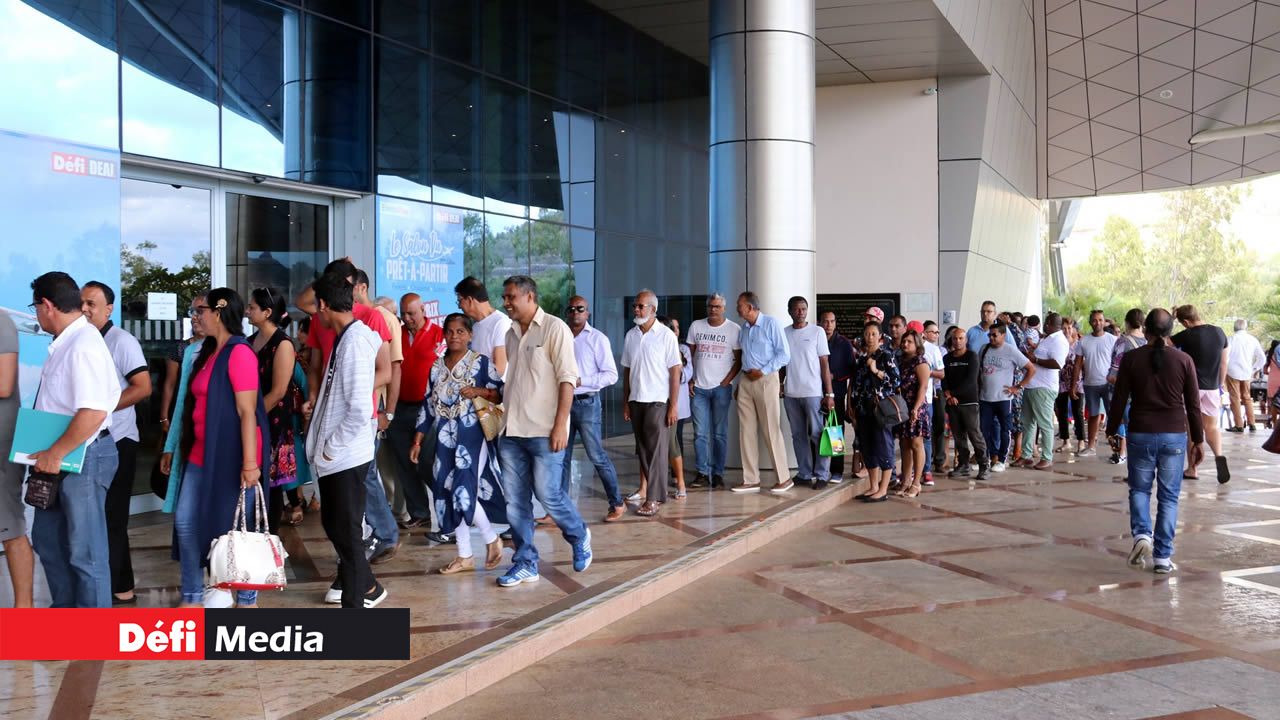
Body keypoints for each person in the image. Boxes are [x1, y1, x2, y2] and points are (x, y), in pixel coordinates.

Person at [165, 288, 269, 609]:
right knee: (186, 522)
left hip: (232, 456)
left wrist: (250, 464)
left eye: (201, 311)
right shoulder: (207, 352)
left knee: (235, 530)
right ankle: (193, 596)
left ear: (220, 312)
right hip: (200, 454)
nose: (197, 317)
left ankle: (247, 599)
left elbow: (247, 411)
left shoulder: (239, 352)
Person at [25, 273, 121, 608]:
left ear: (47, 306)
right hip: (58, 458)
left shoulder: (83, 345)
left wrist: (55, 452)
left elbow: (93, 412)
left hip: (84, 456)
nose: (37, 315)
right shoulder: (67, 341)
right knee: (48, 543)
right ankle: (66, 621)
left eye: (36, 307)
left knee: (85, 553)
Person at [495, 275, 592, 587]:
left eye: (511, 297)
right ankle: (525, 562)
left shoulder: (554, 328)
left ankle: (578, 534)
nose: (506, 302)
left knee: (548, 494)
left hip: (544, 429)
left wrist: (561, 424)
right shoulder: (510, 333)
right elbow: (517, 382)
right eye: (505, 297)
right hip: (511, 431)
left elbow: (567, 378)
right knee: (515, 502)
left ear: (530, 296)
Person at [297, 260, 397, 562]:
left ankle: (377, 538)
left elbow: (386, 371)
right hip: (329, 412)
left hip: (357, 414)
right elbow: (316, 365)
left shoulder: (369, 319)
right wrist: (316, 395)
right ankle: (357, 549)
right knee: (340, 494)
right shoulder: (321, 318)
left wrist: (361, 395)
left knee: (361, 478)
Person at [1108, 309, 1203, 575]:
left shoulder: (1131, 358)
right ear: (1170, 331)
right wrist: (1198, 440)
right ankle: (1162, 557)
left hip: (1140, 433)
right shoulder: (1184, 360)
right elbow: (1193, 406)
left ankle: (1142, 536)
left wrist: (1112, 429)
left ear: (1146, 330)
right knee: (1169, 497)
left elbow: (1119, 398)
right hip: (1174, 435)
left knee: (1139, 490)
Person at [411, 313, 507, 575]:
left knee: (463, 491)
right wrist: (418, 440)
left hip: (473, 439)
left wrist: (480, 391)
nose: (455, 336)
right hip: (445, 441)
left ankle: (491, 539)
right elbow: (427, 406)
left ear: (470, 335)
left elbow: (500, 393)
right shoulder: (436, 367)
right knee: (448, 491)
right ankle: (464, 555)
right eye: (450, 332)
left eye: (460, 332)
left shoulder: (481, 363)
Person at [79, 281, 151, 606]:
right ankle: (121, 588)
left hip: (119, 440)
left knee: (113, 519)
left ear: (109, 309)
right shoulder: (83, 340)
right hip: (90, 441)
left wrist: (103, 407)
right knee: (100, 519)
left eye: (92, 304)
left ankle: (114, 592)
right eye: (81, 303)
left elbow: (143, 387)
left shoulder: (121, 341)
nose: (85, 309)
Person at [246, 287, 311, 532]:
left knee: (271, 488)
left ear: (267, 312)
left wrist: (250, 416)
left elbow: (278, 391)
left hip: (272, 423)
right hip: (251, 421)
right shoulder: (249, 341)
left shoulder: (282, 344)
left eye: (252, 307)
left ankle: (269, 541)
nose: (248, 311)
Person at [387, 293, 448, 539]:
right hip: (399, 406)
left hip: (429, 410)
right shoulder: (397, 334)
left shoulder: (439, 335)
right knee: (404, 463)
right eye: (403, 313)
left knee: (426, 462)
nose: (407, 318)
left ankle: (450, 506)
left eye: (412, 313)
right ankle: (419, 512)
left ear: (424, 310)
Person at [563, 295, 625, 521]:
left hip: (587, 403)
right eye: (571, 309)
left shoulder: (598, 339)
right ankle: (558, 509)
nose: (575, 312)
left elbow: (611, 375)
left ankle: (617, 502)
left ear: (587, 313)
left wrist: (582, 380)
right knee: (562, 456)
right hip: (563, 403)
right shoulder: (560, 337)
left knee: (596, 455)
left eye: (580, 309)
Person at [620, 291, 681, 517]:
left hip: (658, 400)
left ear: (653, 309)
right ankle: (659, 494)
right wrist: (626, 401)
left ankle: (653, 499)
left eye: (641, 306)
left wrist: (673, 405)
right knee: (644, 451)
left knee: (656, 451)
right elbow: (627, 371)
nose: (636, 310)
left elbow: (675, 371)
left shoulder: (666, 336)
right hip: (636, 400)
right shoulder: (631, 336)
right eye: (635, 306)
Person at [355, 271, 406, 537]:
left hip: (376, 406)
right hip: (362, 410)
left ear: (361, 287)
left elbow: (392, 368)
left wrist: (389, 411)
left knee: (370, 471)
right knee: (372, 470)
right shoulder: (343, 317)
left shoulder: (380, 317)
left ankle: (386, 530)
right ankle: (378, 528)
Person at [732, 292, 793, 494]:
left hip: (766, 380)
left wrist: (764, 371)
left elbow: (784, 354)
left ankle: (784, 479)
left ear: (750, 307)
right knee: (746, 431)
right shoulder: (744, 328)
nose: (737, 307)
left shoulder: (771, 324)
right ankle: (750, 479)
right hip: (746, 380)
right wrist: (739, 383)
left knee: (770, 429)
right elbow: (742, 357)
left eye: (739, 305)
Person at [686, 293, 741, 490]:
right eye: (710, 306)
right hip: (699, 388)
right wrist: (689, 380)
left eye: (717, 306)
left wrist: (726, 381)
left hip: (721, 389)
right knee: (700, 434)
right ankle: (702, 472)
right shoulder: (696, 326)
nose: (713, 310)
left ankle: (718, 473)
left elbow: (739, 359)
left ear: (724, 308)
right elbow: (688, 356)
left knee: (719, 434)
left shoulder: (733, 329)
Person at [1172, 305, 1231, 483]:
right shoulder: (1220, 333)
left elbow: (1164, 343)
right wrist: (1219, 385)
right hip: (1213, 388)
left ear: (1186, 322)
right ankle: (1219, 455)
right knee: (1212, 427)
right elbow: (1224, 362)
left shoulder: (1187, 334)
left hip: (1192, 388)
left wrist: (1173, 318)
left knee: (1192, 430)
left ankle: (1192, 469)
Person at [781, 296, 834, 489]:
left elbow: (824, 364)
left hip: (813, 393)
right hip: (791, 393)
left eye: (804, 309)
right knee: (798, 435)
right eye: (796, 309)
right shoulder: (784, 333)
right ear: (789, 311)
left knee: (817, 433)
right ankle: (804, 473)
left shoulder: (817, 331)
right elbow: (782, 363)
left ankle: (822, 474)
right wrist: (780, 384)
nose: (800, 312)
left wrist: (829, 394)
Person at [0, 309, 33, 607]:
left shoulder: (2, 323)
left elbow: (3, 383)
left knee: (9, 527)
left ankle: (24, 613)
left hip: (2, 444)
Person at [850, 321, 901, 500]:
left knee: (883, 446)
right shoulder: (862, 358)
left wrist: (876, 370)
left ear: (880, 336)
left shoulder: (887, 356)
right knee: (867, 447)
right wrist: (853, 407)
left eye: (873, 334)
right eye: (867, 334)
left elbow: (895, 381)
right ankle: (873, 486)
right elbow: (856, 384)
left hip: (880, 409)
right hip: (863, 410)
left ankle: (883, 489)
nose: (870, 337)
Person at [1014, 313, 1068, 470]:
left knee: (1045, 424)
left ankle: (1047, 457)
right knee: (1027, 423)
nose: (1043, 324)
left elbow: (1058, 363)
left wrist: (1035, 360)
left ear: (1050, 323)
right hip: (1031, 386)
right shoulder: (1048, 338)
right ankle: (1026, 456)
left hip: (1044, 388)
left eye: (1045, 322)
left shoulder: (1059, 341)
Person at [980, 322, 1036, 473]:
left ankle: (1002, 459)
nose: (991, 338)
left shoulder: (1011, 351)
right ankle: (988, 458)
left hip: (1003, 398)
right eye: (989, 335)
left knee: (1005, 430)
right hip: (985, 398)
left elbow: (1031, 368)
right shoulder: (984, 349)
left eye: (994, 335)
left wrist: (1018, 387)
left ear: (1003, 336)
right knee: (984, 430)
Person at [942, 326, 988, 479]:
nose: (958, 341)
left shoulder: (972, 357)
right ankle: (963, 465)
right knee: (958, 436)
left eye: (961, 338)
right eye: (955, 338)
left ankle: (983, 465)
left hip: (969, 403)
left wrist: (953, 393)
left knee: (975, 435)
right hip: (952, 403)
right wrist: (948, 395)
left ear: (966, 340)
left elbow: (970, 381)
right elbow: (944, 379)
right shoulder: (947, 359)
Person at [1107, 309, 1148, 464]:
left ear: (1127, 322)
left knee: (1129, 430)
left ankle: (1133, 464)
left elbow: (1113, 375)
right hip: (1144, 395)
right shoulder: (1149, 342)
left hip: (1126, 396)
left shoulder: (1123, 343)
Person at [894, 328, 931, 496]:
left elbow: (923, 387)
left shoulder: (921, 362)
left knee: (916, 444)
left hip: (916, 407)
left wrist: (916, 408)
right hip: (902, 406)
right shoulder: (900, 361)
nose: (905, 344)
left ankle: (916, 483)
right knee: (904, 444)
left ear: (917, 344)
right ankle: (906, 480)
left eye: (909, 342)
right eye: (904, 341)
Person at [820, 310, 855, 482]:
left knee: (835, 431)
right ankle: (819, 469)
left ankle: (836, 470)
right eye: (825, 321)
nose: (828, 325)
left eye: (832, 321)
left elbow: (851, 369)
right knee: (816, 432)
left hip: (837, 394)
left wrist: (834, 375)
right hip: (815, 393)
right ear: (820, 322)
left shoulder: (844, 343)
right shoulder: (815, 339)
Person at [455, 276, 512, 376]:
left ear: (469, 300)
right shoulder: (475, 326)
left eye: (459, 301)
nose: (459, 306)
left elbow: (499, 369)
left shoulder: (501, 323)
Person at [1077, 310, 1115, 456]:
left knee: (1113, 416)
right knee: (1093, 415)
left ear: (1104, 321)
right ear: (1090, 322)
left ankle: (1117, 448)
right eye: (1094, 320)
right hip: (1090, 384)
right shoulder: (1084, 340)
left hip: (1108, 384)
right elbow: (1078, 363)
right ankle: (1091, 446)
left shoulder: (1112, 339)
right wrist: (1075, 383)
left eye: (1100, 320)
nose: (1097, 323)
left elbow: (1118, 362)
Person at [1226, 318, 1265, 433]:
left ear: (1234, 327)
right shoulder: (1252, 339)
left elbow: (1225, 356)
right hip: (1247, 372)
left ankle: (1239, 425)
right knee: (1247, 398)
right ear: (1245, 327)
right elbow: (1262, 358)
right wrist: (1254, 369)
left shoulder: (1231, 339)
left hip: (1232, 372)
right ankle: (1252, 423)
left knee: (1235, 398)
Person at [1055, 319, 1085, 456]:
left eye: (1069, 328)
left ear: (1073, 329)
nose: (1067, 330)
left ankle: (1081, 441)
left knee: (1077, 411)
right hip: (1061, 381)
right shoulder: (1059, 343)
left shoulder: (1079, 344)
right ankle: (1066, 441)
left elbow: (1083, 363)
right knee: (1062, 412)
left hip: (1077, 382)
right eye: (1064, 328)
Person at [922, 320, 947, 481]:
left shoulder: (937, 350)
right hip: (917, 395)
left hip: (934, 393)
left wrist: (925, 371)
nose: (936, 335)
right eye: (933, 332)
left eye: (938, 332)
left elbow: (941, 373)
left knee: (936, 428)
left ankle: (933, 465)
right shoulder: (911, 348)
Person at [1267, 339, 1280, 430]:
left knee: (1272, 403)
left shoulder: (1269, 355)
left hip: (1272, 380)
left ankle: (1275, 424)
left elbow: (1264, 370)